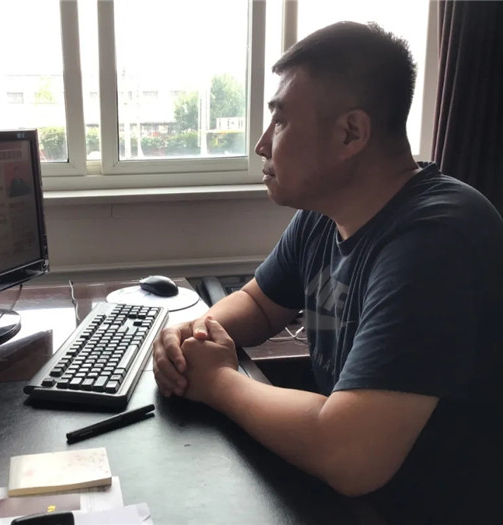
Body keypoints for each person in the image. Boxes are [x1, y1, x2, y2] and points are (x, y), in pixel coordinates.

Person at [153, 21, 503, 524]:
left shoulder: (437, 240)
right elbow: (259, 303)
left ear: (350, 133)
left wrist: (218, 381)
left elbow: (350, 456)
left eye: (280, 121)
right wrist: (194, 333)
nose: (262, 144)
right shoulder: (325, 213)